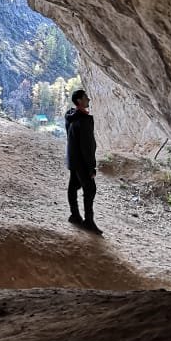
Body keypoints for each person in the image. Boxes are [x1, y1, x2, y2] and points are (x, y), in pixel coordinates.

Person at [65, 88, 102, 234]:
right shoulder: (84, 120)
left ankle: (75, 215)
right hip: (81, 161)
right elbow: (87, 146)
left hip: (73, 159)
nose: (88, 99)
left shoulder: (70, 116)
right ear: (79, 100)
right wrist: (91, 167)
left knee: (73, 186)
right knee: (90, 189)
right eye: (86, 97)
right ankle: (89, 221)